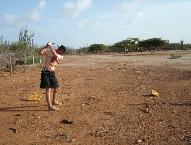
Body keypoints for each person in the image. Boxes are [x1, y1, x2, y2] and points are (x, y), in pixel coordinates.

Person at [39, 42, 66, 111]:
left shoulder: (60, 56)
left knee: (57, 88)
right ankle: (49, 106)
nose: (62, 53)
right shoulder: (49, 51)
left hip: (52, 73)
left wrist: (50, 45)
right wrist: (45, 46)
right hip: (45, 72)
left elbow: (55, 56)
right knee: (48, 89)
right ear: (60, 49)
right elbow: (40, 52)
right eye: (62, 51)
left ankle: (54, 101)